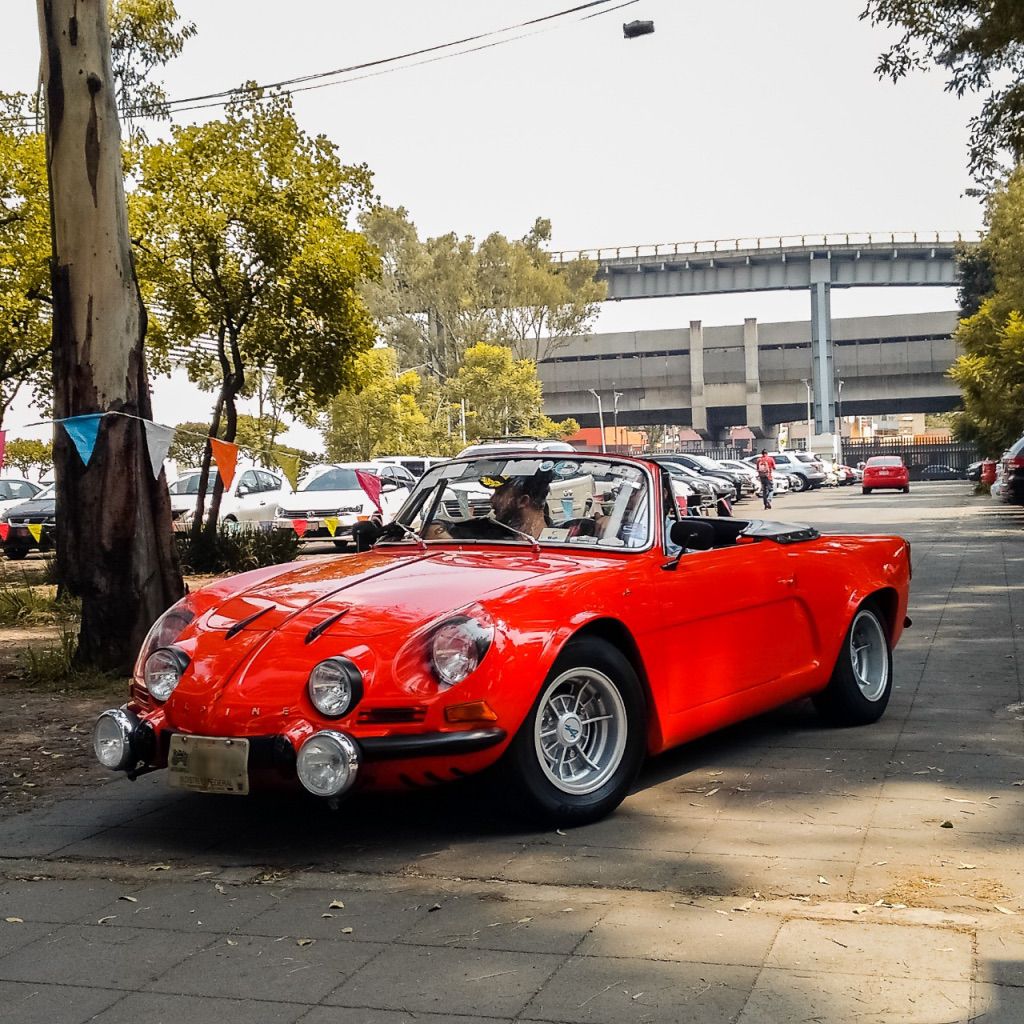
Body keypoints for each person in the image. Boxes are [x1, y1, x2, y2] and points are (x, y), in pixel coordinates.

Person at [484, 471, 553, 538]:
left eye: (499, 494)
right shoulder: (491, 537)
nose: (492, 499)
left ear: (523, 501)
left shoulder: (558, 542)